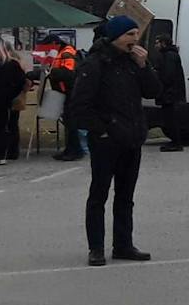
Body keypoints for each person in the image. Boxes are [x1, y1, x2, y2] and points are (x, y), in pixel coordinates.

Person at [66, 16, 161, 266]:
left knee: (125, 195)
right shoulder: (95, 64)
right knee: (99, 195)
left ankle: (123, 244)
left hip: (131, 137)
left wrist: (144, 66)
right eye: (129, 34)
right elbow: (79, 106)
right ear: (116, 36)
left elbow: (153, 91)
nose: (134, 40)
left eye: (136, 34)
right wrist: (102, 130)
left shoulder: (132, 63)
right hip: (107, 140)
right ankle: (96, 247)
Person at [154, 35, 189, 152]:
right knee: (169, 119)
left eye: (157, 43)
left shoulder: (169, 56)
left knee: (171, 120)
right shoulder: (169, 55)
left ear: (163, 43)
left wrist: (157, 77)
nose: (155, 45)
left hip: (171, 94)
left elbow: (168, 75)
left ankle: (176, 143)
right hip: (171, 93)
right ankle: (175, 141)